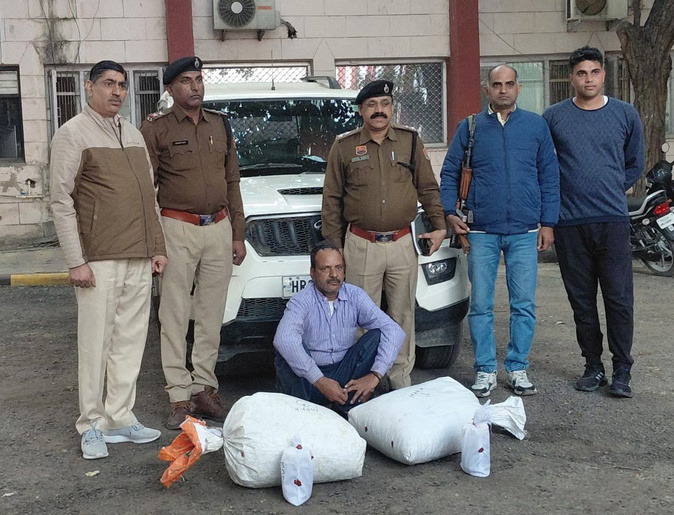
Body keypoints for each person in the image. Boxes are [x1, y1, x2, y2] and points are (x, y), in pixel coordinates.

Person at [50, 60, 167, 459]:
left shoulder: (132, 134)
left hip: (138, 256)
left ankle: (119, 417)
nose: (117, 91)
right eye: (108, 84)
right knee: (95, 345)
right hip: (98, 259)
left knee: (129, 342)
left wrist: (157, 247)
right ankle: (91, 424)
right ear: (89, 87)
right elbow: (60, 201)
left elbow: (149, 197)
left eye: (122, 85)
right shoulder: (72, 134)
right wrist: (75, 260)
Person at [440, 65, 560, 398]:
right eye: (496, 84)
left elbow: (549, 176)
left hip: (525, 230)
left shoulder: (536, 126)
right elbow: (450, 173)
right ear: (486, 90)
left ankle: (518, 367)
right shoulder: (470, 127)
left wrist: (548, 222)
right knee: (481, 304)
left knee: (523, 304)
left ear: (518, 88)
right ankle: (485, 369)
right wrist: (449, 212)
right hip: (481, 230)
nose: (503, 89)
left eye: (509, 84)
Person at [141, 56, 246, 429]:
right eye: (186, 80)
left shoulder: (220, 124)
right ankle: (179, 396)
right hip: (177, 228)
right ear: (171, 89)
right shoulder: (156, 128)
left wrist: (237, 232)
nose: (195, 86)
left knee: (210, 314)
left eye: (199, 79)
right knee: (172, 314)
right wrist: (154, 242)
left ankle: (204, 388)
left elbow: (232, 181)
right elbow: (146, 190)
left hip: (218, 227)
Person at [321, 80, 447, 390]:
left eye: (385, 104)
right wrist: (334, 249)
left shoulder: (410, 141)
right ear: (361, 110)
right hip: (361, 245)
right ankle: (363, 386)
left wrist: (439, 226)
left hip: (403, 243)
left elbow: (428, 187)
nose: (379, 111)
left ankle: (399, 382)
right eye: (372, 105)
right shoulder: (345, 146)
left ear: (392, 108)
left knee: (402, 315)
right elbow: (331, 200)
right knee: (360, 319)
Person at [543, 46, 644, 398]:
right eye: (582, 73)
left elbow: (635, 162)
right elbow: (545, 165)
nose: (589, 79)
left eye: (595, 72)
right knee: (582, 302)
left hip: (612, 221)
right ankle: (593, 366)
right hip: (570, 223)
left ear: (603, 75)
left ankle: (622, 371)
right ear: (572, 78)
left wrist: (611, 186)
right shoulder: (554, 117)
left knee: (619, 300)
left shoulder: (625, 114)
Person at [273, 241, 405, 413]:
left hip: (344, 374)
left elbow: (393, 329)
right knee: (287, 351)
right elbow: (284, 339)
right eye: (325, 269)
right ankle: (300, 414)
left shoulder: (355, 295)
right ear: (312, 273)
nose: (334, 274)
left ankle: (349, 408)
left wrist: (375, 376)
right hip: (310, 380)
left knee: (379, 335)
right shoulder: (301, 300)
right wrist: (320, 380)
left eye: (338, 268)